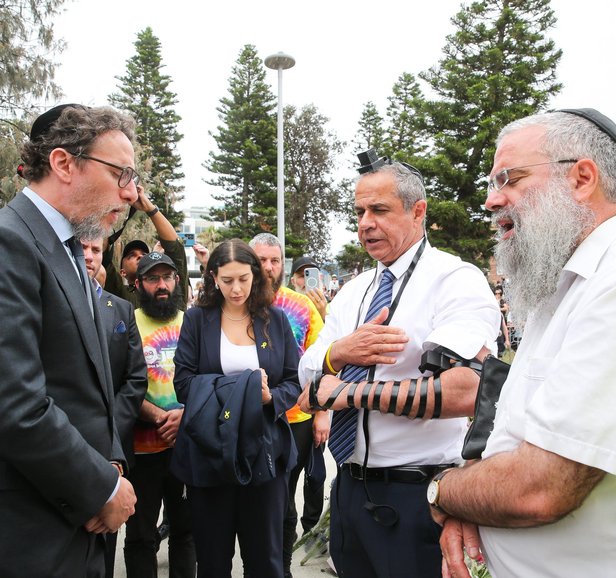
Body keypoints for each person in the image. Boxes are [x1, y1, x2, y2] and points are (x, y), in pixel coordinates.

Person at [430, 109, 616, 578]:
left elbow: (540, 489)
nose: (491, 201)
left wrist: (443, 492)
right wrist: (470, 511)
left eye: (509, 178)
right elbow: (515, 444)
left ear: (582, 178)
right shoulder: (567, 285)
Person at [296, 149, 499, 578]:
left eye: (380, 210)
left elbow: (467, 390)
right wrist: (340, 353)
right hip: (349, 491)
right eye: (359, 211)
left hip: (417, 496)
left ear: (417, 211)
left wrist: (346, 393)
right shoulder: (353, 292)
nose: (365, 223)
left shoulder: (454, 280)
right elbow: (308, 379)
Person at [0, 104, 138, 577]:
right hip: (33, 530)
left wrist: (112, 466)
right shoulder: (10, 242)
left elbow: (88, 389)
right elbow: (15, 404)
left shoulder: (69, 250)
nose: (131, 192)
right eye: (121, 173)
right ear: (63, 163)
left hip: (79, 524)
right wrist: (101, 487)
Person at [172, 239, 301, 578]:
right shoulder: (197, 320)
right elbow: (183, 384)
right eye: (227, 280)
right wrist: (244, 389)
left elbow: (293, 381)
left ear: (255, 275)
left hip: (263, 450)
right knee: (212, 561)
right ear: (213, 277)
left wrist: (269, 398)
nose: (236, 288)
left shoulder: (274, 320)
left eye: (243, 278)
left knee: (265, 560)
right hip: (209, 451)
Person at [248, 233, 329, 578]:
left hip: (296, 419)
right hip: (248, 419)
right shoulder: (235, 302)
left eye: (274, 260)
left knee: (284, 502)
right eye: (261, 260)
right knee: (256, 503)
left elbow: (325, 363)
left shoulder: (302, 306)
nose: (268, 267)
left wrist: (322, 413)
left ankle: (281, 569)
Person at [124, 251, 195, 578]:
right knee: (141, 536)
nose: (161, 285)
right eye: (153, 278)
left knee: (186, 531)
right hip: (141, 452)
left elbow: (207, 378)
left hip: (185, 447)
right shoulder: (125, 322)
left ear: (177, 280)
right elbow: (115, 383)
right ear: (138, 284)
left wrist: (186, 414)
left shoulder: (193, 323)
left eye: (167, 277)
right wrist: (153, 415)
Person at [82, 237, 148, 578]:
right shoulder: (48, 302)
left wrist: (111, 445)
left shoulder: (120, 310)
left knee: (105, 550)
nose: (89, 256)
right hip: (64, 447)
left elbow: (135, 379)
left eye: (96, 250)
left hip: (114, 454)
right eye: (82, 248)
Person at [103, 186, 189, 312]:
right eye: (131, 255)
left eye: (145, 254)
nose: (140, 256)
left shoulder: (171, 295)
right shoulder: (119, 295)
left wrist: (150, 208)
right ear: (122, 272)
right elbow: (103, 252)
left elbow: (175, 249)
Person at [290, 255, 328, 320]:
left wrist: (323, 314)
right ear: (293, 281)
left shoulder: (335, 307)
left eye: (312, 275)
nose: (307, 281)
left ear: (321, 277)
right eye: (302, 276)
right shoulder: (287, 309)